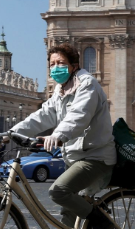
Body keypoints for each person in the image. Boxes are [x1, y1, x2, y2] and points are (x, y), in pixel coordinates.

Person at [8, 43, 116, 229]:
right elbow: (42, 115)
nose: (56, 67)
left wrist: (57, 135)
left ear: (73, 65)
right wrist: (11, 133)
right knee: (67, 210)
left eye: (61, 62)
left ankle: (102, 223)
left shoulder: (87, 84)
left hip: (95, 156)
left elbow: (78, 116)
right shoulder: (61, 89)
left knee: (58, 192)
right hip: (74, 156)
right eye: (52, 63)